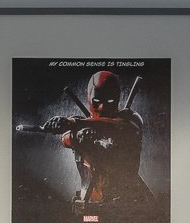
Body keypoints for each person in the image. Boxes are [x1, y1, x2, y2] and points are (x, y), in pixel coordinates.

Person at [29, 69, 153, 213]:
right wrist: (75, 130)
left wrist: (77, 124)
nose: (102, 107)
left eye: (110, 101)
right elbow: (67, 139)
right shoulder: (79, 124)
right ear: (90, 99)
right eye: (97, 101)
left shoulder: (129, 119)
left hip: (129, 205)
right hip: (89, 204)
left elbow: (121, 126)